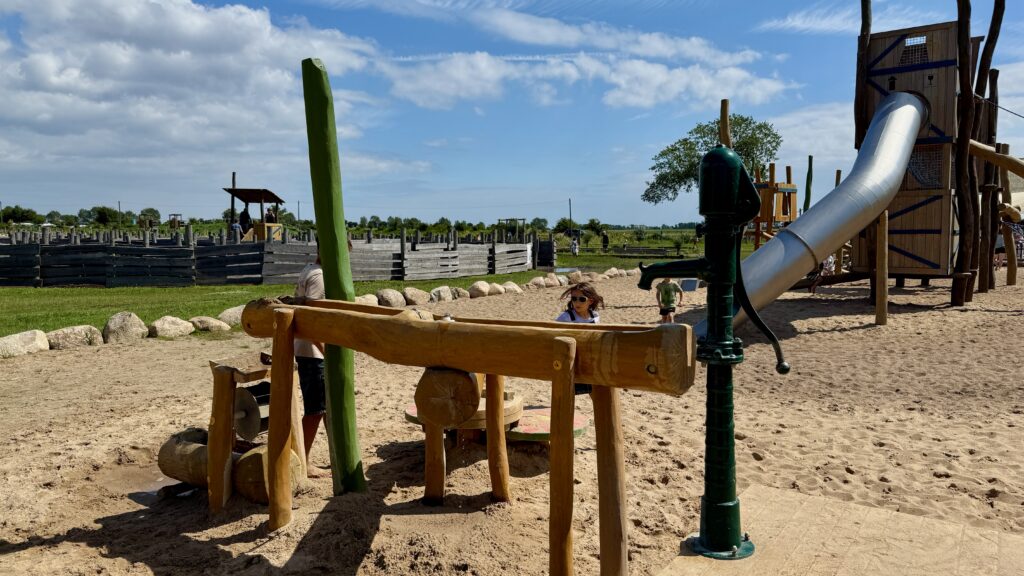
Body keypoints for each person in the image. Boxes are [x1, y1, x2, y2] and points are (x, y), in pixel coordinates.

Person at [294, 252, 327, 477]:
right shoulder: (319, 276)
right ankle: (303, 462)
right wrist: (326, 349)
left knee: (325, 409)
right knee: (315, 410)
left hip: (308, 349)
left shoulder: (309, 269)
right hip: (313, 351)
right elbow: (311, 316)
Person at [555, 282, 604, 395]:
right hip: (573, 360)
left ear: (590, 300)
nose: (577, 302)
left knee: (596, 390)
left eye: (582, 299)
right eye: (574, 298)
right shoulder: (566, 317)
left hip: (590, 359)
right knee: (569, 390)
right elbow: (554, 333)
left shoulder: (595, 316)